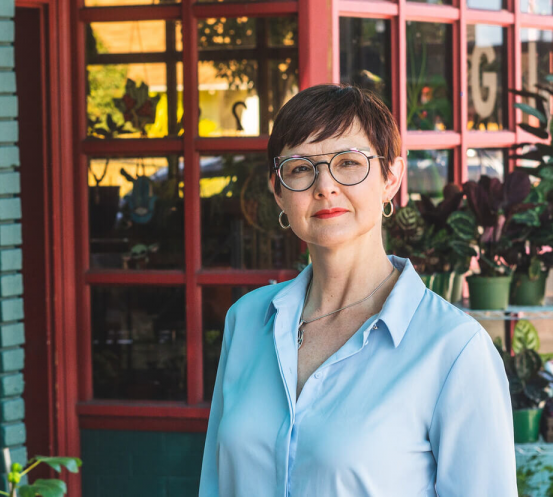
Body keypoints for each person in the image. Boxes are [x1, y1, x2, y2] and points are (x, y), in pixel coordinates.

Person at [198, 84, 516, 496]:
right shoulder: (246, 321)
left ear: (391, 177)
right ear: (278, 191)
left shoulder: (454, 349)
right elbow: (215, 484)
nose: (324, 186)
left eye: (348, 162)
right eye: (300, 168)